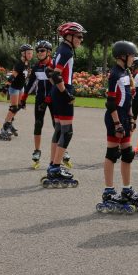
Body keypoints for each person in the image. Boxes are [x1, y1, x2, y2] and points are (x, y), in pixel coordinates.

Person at [97, 41, 138, 213]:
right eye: (132, 55)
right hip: (115, 117)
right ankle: (108, 191)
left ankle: (127, 188)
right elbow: (111, 102)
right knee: (112, 153)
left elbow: (128, 98)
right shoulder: (114, 74)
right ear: (123, 56)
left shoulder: (126, 72)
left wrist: (130, 117)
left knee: (127, 154)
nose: (134, 59)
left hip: (124, 117)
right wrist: (117, 123)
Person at [40, 22, 86, 188]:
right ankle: (56, 168)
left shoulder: (61, 49)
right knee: (67, 132)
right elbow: (57, 75)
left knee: (59, 130)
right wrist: (65, 93)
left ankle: (53, 164)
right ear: (69, 36)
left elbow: (48, 72)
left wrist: (56, 90)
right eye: (79, 36)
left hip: (56, 91)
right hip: (62, 90)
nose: (81, 39)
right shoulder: (66, 51)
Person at [21, 40, 55, 169]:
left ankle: (61, 150)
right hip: (40, 98)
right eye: (38, 51)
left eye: (42, 50)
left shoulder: (54, 65)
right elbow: (31, 84)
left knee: (56, 126)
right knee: (38, 124)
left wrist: (48, 98)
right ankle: (37, 151)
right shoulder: (37, 67)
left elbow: (57, 85)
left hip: (53, 99)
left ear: (48, 52)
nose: (39, 53)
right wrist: (23, 98)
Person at [0, 44, 33, 140]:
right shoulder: (19, 64)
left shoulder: (27, 63)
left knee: (20, 105)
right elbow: (12, 77)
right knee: (13, 108)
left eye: (31, 53)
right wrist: (5, 88)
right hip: (14, 88)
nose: (31, 55)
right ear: (23, 53)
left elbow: (25, 78)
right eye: (29, 53)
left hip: (21, 87)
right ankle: (4, 128)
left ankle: (9, 123)